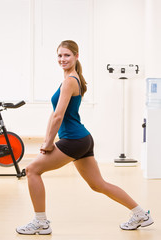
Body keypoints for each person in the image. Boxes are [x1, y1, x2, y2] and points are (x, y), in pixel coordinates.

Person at [16, 40, 154, 235]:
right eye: (60, 55)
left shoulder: (70, 80)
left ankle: (41, 222)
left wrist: (49, 142)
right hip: (82, 139)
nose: (62, 59)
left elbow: (58, 116)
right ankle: (141, 214)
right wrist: (47, 140)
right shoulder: (70, 79)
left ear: (76, 56)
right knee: (98, 184)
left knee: (32, 170)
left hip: (73, 139)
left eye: (67, 55)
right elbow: (54, 113)